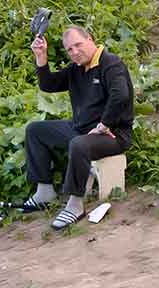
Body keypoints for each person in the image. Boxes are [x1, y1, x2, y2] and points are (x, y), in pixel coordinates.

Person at [23, 25, 134, 230]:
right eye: (69, 49)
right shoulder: (76, 68)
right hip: (81, 128)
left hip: (113, 134)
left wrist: (104, 124)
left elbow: (121, 95)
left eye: (78, 45)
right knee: (35, 130)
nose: (74, 52)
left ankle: (75, 204)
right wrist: (41, 57)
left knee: (79, 144)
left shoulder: (111, 64)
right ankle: (44, 191)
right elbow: (49, 85)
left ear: (90, 39)